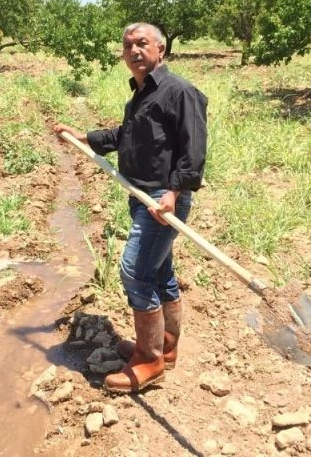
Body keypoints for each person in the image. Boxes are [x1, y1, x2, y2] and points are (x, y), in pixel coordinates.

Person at [54, 22, 208, 393]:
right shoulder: (139, 95)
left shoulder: (180, 92)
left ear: (161, 50)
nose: (134, 51)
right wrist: (85, 137)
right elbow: (126, 137)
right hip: (141, 196)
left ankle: (149, 360)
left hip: (161, 200)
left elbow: (193, 150)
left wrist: (173, 192)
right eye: (128, 46)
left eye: (142, 44)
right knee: (159, 273)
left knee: (135, 273)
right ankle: (164, 348)